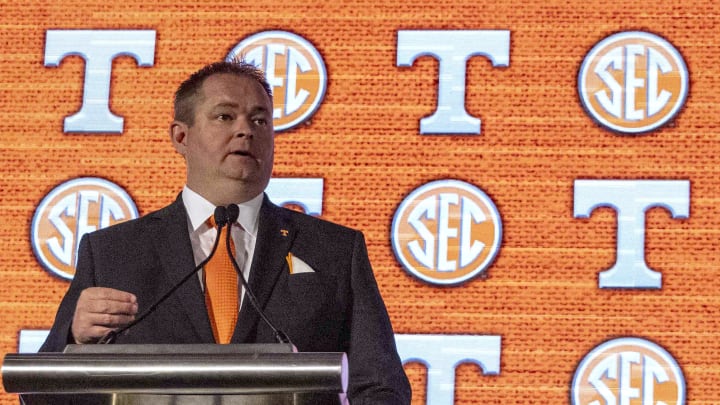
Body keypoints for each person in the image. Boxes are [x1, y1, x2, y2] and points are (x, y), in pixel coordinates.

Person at [25, 60, 411, 404]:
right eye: (225, 117)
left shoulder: (335, 251)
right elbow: (39, 393)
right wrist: (75, 341)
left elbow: (382, 388)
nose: (246, 130)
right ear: (181, 137)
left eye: (260, 120)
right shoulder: (114, 253)